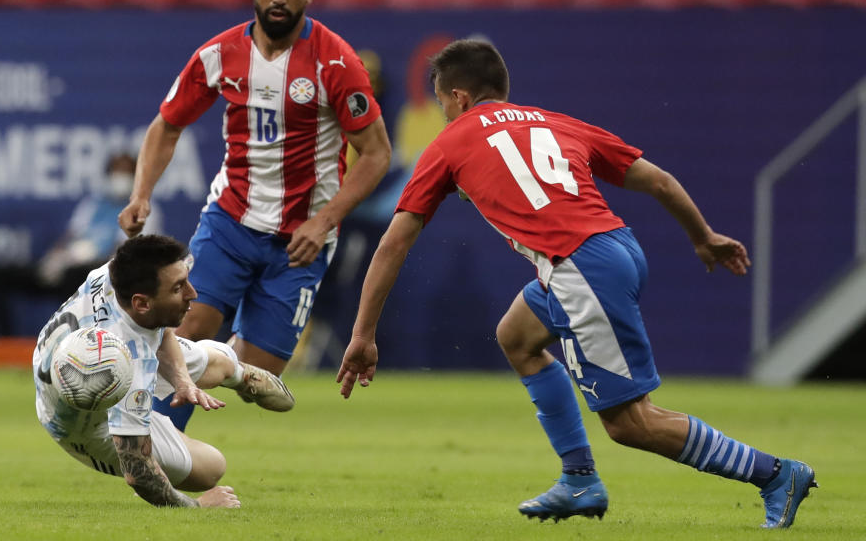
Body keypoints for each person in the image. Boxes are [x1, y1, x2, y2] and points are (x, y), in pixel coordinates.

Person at [336, 39, 816, 529]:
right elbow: (661, 182)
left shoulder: (452, 140)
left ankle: (775, 475)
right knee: (517, 336)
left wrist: (362, 334)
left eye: (441, 103)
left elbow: (395, 243)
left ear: (458, 98)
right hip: (618, 247)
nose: (443, 114)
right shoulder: (555, 122)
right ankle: (578, 478)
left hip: (579, 266)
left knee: (632, 423)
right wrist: (703, 237)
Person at [119, 0, 391, 386]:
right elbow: (166, 125)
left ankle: (195, 397)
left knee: (259, 371)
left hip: (301, 240)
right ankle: (156, 448)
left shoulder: (337, 63)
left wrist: (324, 221)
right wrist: (140, 194)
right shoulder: (220, 54)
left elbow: (376, 154)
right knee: (187, 331)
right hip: (230, 222)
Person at [32, 234, 294, 508]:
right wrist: (199, 506)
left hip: (78, 359)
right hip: (85, 428)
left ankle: (237, 373)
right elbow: (139, 475)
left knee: (219, 367)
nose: (193, 294)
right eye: (179, 288)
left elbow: (156, 327)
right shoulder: (132, 373)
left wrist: (182, 380)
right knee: (211, 468)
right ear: (141, 303)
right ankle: (168, 425)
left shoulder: (115, 274)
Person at [0, 153, 161, 336]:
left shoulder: (144, 208)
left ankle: (72, 340)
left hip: (106, 274)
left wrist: (86, 263)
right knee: (0, 274)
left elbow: (126, 255)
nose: (120, 177)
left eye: (126, 172)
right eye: (116, 171)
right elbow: (71, 236)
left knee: (74, 277)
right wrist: (56, 259)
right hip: (70, 264)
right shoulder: (94, 204)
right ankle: (4, 345)